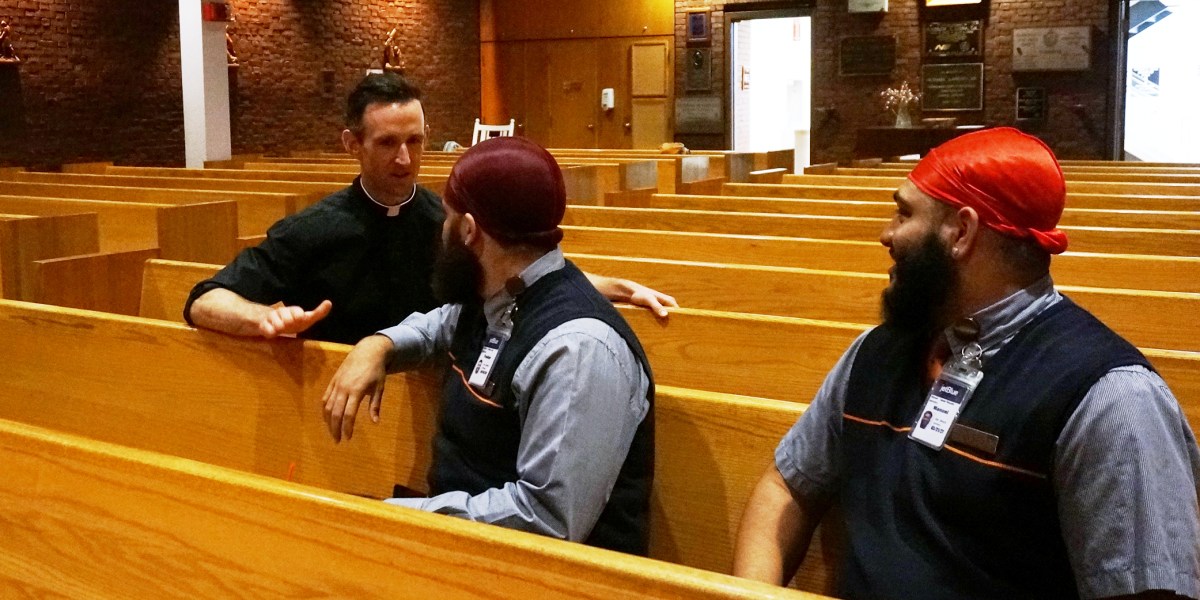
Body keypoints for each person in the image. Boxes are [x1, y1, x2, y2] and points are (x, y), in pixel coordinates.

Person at [732, 127, 1200, 599]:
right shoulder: (875, 353)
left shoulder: (1111, 398)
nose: (886, 235)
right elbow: (786, 486)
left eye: (904, 213)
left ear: (962, 232)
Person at [321, 136, 654, 555]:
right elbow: (441, 325)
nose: (441, 232)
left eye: (446, 219)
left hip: (546, 578)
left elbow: (546, 518)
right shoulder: (496, 293)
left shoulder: (578, 350)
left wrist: (401, 516)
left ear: (469, 230)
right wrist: (379, 345)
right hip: (465, 545)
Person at [184, 73, 675, 345]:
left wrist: (617, 287)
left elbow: (517, 272)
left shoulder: (448, 222)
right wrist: (260, 320)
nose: (405, 159)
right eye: (388, 143)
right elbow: (204, 300)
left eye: (416, 141)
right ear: (351, 144)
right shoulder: (311, 230)